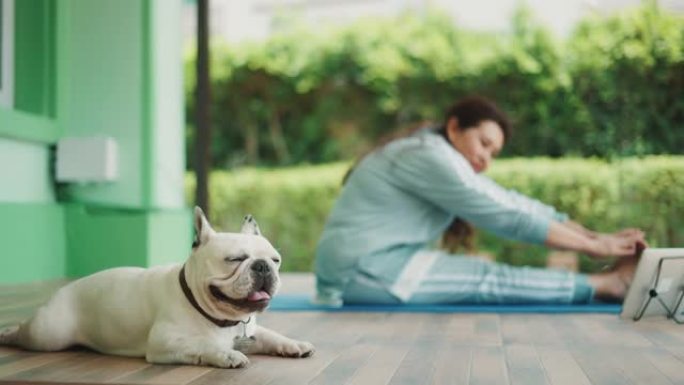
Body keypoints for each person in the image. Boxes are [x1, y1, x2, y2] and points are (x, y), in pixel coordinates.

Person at [314, 96, 646, 307]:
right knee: (489, 279)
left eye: (493, 153)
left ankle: (608, 282)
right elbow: (505, 217)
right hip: (358, 273)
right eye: (483, 143)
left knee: (487, 276)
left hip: (373, 265)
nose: (486, 158)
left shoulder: (437, 154)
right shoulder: (427, 156)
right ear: (455, 127)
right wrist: (595, 248)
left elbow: (515, 204)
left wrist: (593, 237)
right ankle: (608, 284)